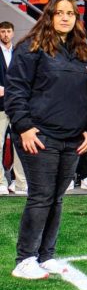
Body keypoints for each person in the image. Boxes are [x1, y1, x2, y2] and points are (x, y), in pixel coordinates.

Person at [5, 0, 87, 279]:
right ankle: (25, 259)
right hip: (40, 136)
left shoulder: (85, 54)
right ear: (48, 16)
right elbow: (16, 90)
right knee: (41, 196)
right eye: (58, 13)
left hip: (73, 139)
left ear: (76, 18)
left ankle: (45, 255)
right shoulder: (30, 48)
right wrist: (23, 126)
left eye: (70, 13)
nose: (64, 18)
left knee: (57, 198)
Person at [0, 22, 26, 196]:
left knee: (20, 146)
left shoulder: (19, 52)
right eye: (2, 31)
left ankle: (19, 183)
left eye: (8, 31)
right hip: (0, 106)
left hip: (17, 106)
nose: (6, 34)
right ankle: (1, 182)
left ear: (13, 33)